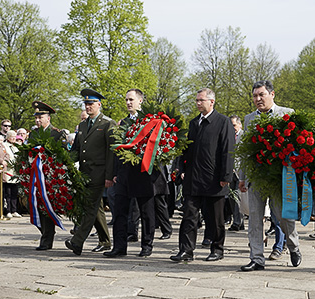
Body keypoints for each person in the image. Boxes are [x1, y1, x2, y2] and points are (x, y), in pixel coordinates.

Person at [238, 80, 302, 271]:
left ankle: (293, 246)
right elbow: (245, 151)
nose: (258, 99)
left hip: (280, 177)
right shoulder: (249, 119)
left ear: (272, 94)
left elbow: (297, 146)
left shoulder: (287, 114)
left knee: (283, 217)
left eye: (261, 95)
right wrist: (242, 177)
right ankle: (257, 258)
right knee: (255, 218)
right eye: (255, 96)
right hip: (257, 176)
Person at [170, 87, 235, 262]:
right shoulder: (193, 123)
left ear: (211, 102)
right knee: (189, 217)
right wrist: (181, 170)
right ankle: (186, 250)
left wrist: (226, 176)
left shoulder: (223, 122)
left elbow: (228, 150)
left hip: (214, 179)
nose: (198, 103)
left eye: (201, 100)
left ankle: (217, 249)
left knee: (215, 219)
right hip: (193, 178)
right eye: (197, 100)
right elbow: (186, 150)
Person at [104, 88, 168, 258]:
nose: (128, 103)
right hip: (125, 174)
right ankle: (119, 246)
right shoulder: (123, 123)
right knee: (119, 211)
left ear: (140, 101)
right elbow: (117, 150)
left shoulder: (150, 121)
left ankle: (147, 246)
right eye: (126, 99)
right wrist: (115, 172)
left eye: (131, 99)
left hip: (144, 172)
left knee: (146, 212)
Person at [64, 89, 115, 255]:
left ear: (99, 104)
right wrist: (65, 163)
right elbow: (77, 149)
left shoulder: (107, 123)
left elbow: (111, 152)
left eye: (91, 103)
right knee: (96, 207)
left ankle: (77, 241)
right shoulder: (83, 125)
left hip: (99, 173)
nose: (88, 106)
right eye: (86, 104)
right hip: (85, 173)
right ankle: (105, 241)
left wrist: (109, 176)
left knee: (90, 207)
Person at [29, 100, 64, 250]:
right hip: (35, 177)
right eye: (36, 118)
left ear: (48, 118)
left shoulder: (56, 134)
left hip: (50, 177)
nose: (38, 120)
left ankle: (47, 238)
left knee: (47, 207)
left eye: (40, 117)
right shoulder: (33, 134)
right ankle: (46, 235)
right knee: (38, 207)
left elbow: (62, 155)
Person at [227, 115, 244, 231]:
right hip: (229, 171)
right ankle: (238, 221)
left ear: (239, 124)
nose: (232, 128)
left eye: (234, 125)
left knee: (238, 197)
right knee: (231, 198)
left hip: (240, 171)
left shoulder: (244, 136)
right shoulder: (228, 136)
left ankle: (237, 222)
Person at [3, 130, 22, 218]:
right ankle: (8, 210)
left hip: (15, 172)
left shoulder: (16, 147)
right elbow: (6, 157)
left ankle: (14, 210)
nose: (13, 138)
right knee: (8, 192)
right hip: (8, 171)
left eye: (15, 136)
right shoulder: (5, 145)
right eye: (12, 136)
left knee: (14, 192)